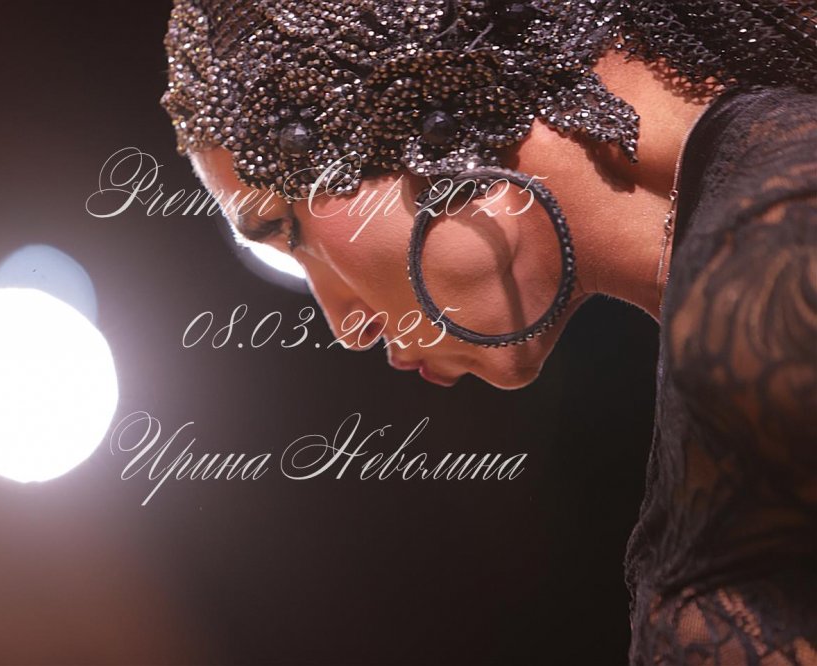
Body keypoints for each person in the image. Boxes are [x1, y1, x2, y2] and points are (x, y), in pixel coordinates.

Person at [161, 1, 817, 663]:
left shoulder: (771, 284)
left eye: (289, 229)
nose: (345, 327)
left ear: (432, 96)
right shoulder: (754, 271)